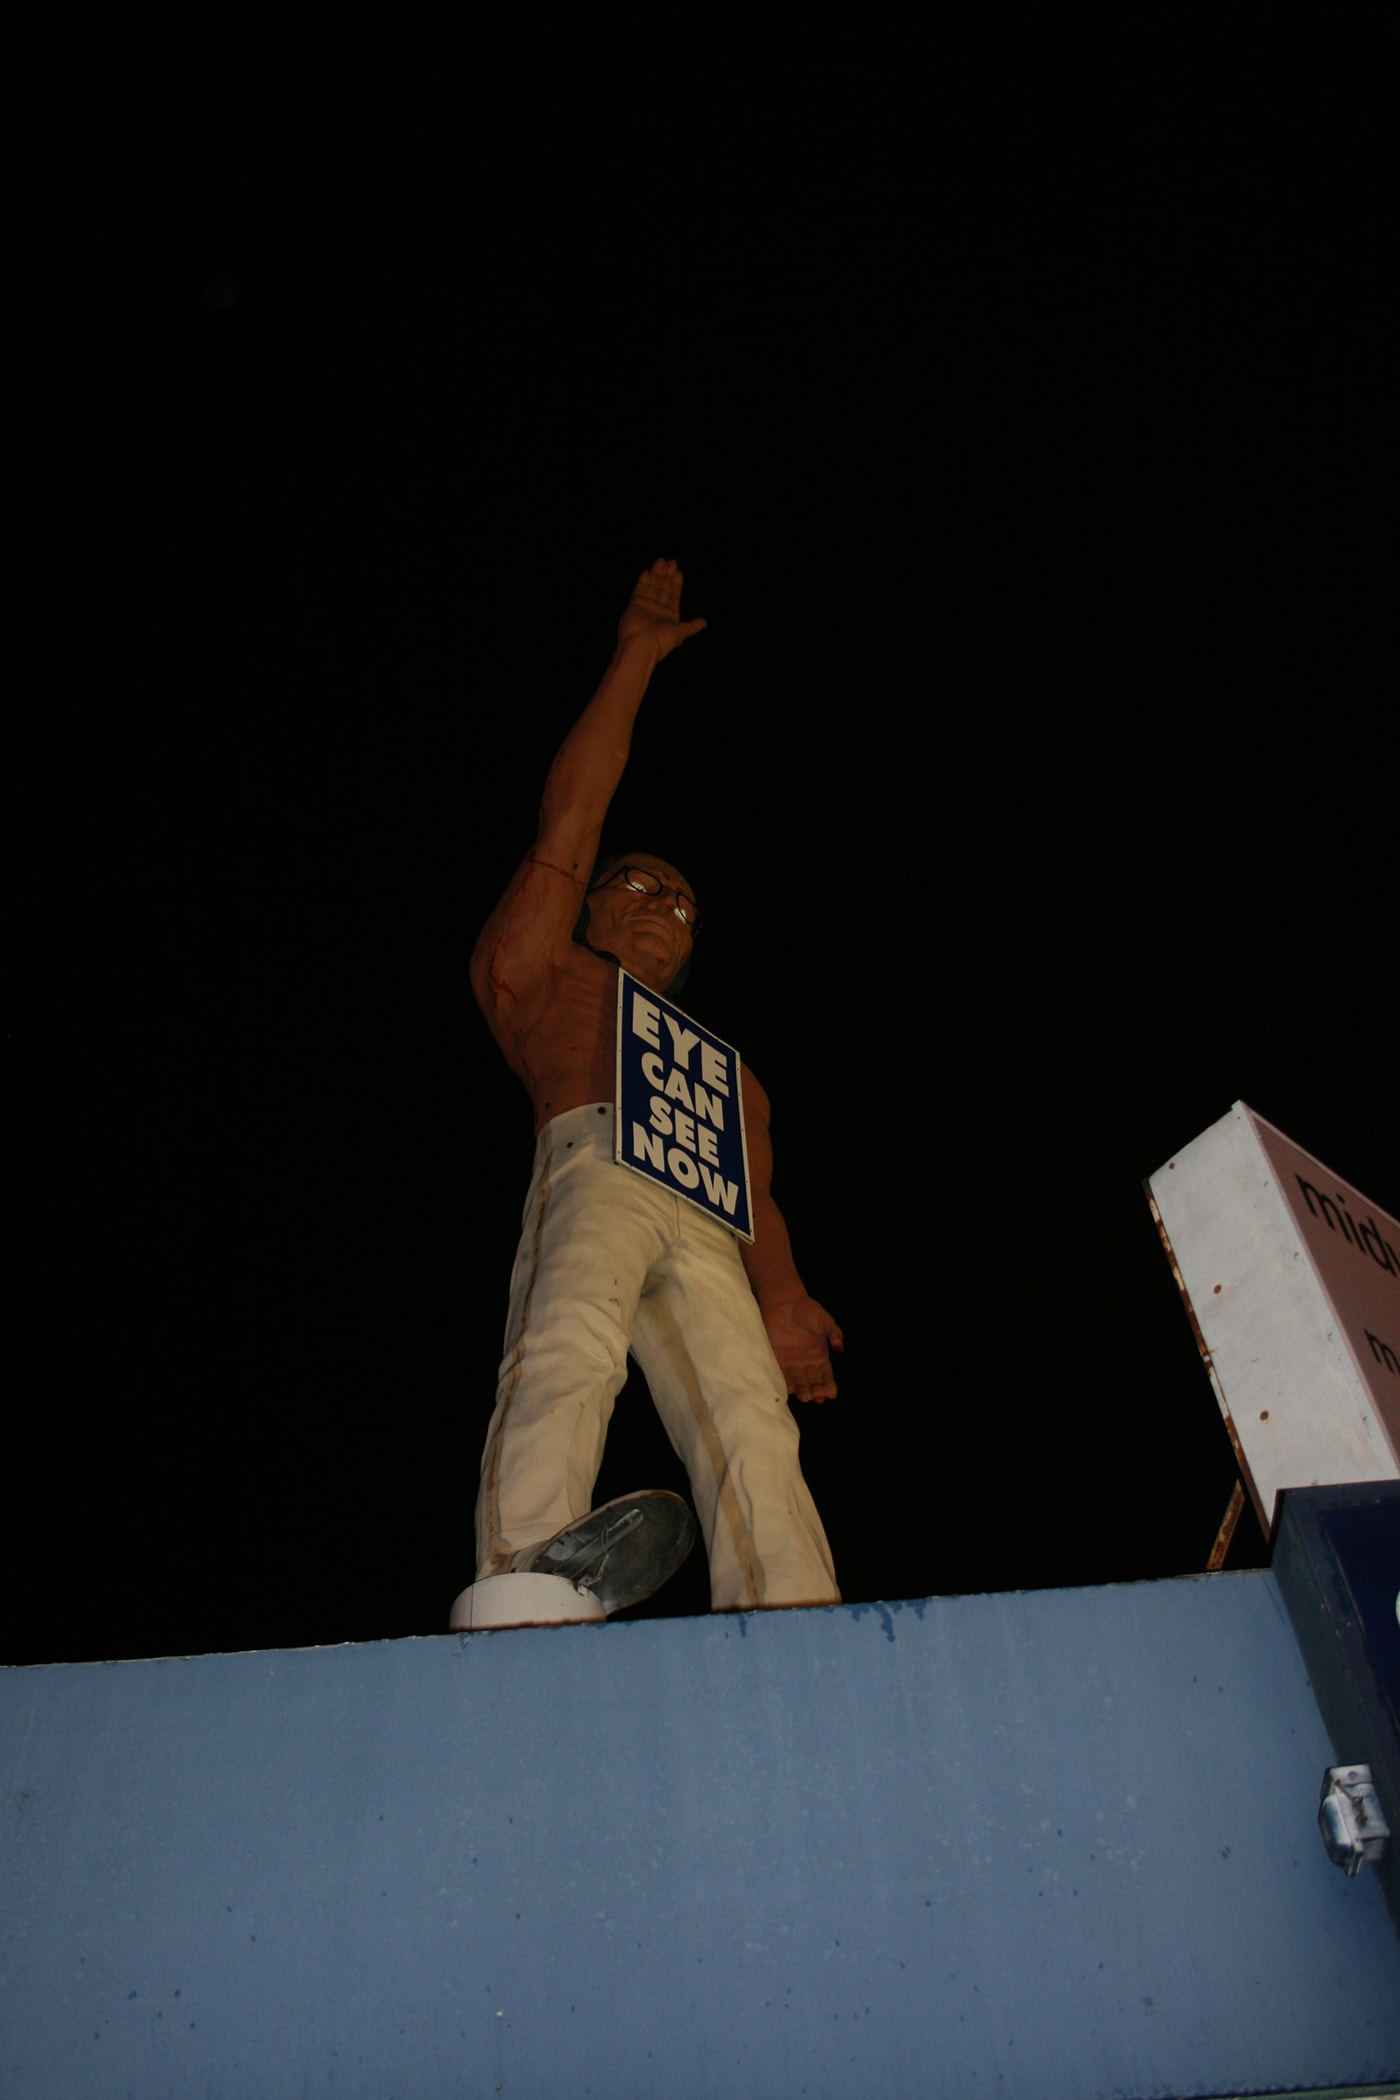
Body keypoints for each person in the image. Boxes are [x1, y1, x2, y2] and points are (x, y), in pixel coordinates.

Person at [468, 558, 841, 1614]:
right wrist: (633, 658)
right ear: (585, 904)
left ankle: (789, 1600)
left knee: (748, 1409)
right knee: (568, 1338)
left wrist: (785, 1294)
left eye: (678, 904)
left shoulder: (725, 1068)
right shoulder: (548, 964)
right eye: (633, 884)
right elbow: (571, 813)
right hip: (594, 1150)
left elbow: (752, 1190)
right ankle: (527, 1557)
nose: (656, 905)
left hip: (705, 1215)